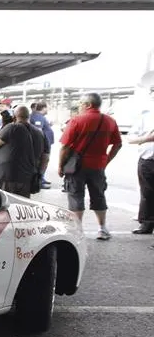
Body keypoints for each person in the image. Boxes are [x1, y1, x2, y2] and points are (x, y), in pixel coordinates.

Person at [59, 93, 122, 240]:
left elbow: (65, 147)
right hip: (98, 166)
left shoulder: (76, 120)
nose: (79, 106)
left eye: (81, 103)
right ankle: (102, 229)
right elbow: (118, 144)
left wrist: (61, 166)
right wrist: (106, 161)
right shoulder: (110, 121)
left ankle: (77, 231)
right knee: (98, 196)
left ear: (88, 105)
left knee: (75, 196)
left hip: (77, 167)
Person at [0, 106, 45, 198]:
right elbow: (45, 157)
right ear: (28, 116)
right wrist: (39, 175)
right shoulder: (39, 133)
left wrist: (3, 126)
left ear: (14, 116)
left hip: (6, 177)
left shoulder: (12, 127)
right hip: (26, 179)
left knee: (4, 206)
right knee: (20, 208)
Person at [127, 108, 154, 237]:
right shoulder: (146, 116)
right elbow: (131, 138)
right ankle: (147, 223)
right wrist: (147, 138)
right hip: (148, 159)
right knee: (147, 192)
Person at [31, 102, 55, 189]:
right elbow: (38, 131)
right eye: (47, 108)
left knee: (42, 163)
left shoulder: (40, 117)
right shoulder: (38, 116)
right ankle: (39, 181)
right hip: (42, 146)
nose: (48, 110)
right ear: (43, 108)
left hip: (44, 145)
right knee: (41, 163)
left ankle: (41, 179)